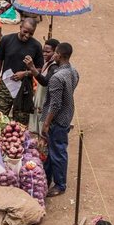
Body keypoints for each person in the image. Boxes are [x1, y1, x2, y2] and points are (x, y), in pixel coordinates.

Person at [40, 41, 78, 197]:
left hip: (58, 120)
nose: (53, 55)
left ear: (60, 56)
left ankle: (60, 184)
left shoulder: (57, 77)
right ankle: (47, 176)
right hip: (67, 114)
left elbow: (55, 104)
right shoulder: (73, 71)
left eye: (55, 53)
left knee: (58, 152)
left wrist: (47, 123)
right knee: (53, 150)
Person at [0, 18, 44, 124]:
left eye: (31, 33)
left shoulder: (36, 46)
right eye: (25, 31)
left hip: (24, 89)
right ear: (20, 27)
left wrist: (25, 73)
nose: (27, 35)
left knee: (20, 123)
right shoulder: (7, 40)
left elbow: (39, 69)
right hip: (6, 86)